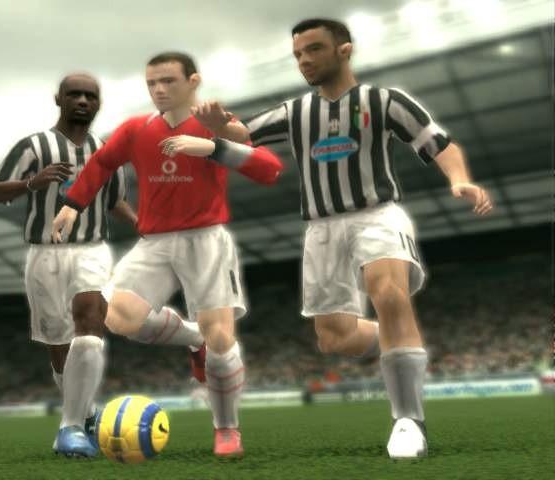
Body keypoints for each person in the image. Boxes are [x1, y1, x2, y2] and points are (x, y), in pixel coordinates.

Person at [193, 18, 493, 459]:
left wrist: (459, 179)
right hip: (321, 230)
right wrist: (219, 126)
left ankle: (408, 420)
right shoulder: (296, 111)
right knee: (334, 338)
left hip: (377, 216)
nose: (304, 60)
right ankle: (400, 341)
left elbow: (441, 144)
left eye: (314, 49)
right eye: (298, 54)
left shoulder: (385, 101)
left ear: (344, 50)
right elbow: (245, 134)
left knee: (388, 293)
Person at [52, 52, 284, 457]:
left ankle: (226, 428)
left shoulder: (214, 122)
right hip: (156, 243)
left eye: (168, 81)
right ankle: (193, 339)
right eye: (152, 83)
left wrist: (212, 146)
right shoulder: (136, 129)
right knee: (118, 317)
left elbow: (269, 169)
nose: (158, 90)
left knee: (221, 337)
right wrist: (73, 204)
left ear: (193, 82)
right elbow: (101, 164)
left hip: (206, 240)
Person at [0, 73, 204, 458]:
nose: (83, 101)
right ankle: (85, 415)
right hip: (43, 256)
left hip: (91, 249)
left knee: (90, 317)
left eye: (90, 95)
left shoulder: (105, 150)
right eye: (75, 94)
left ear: (98, 103)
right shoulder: (34, 145)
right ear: (59, 99)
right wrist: (32, 183)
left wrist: (143, 225)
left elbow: (114, 199)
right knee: (60, 347)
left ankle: (68, 428)